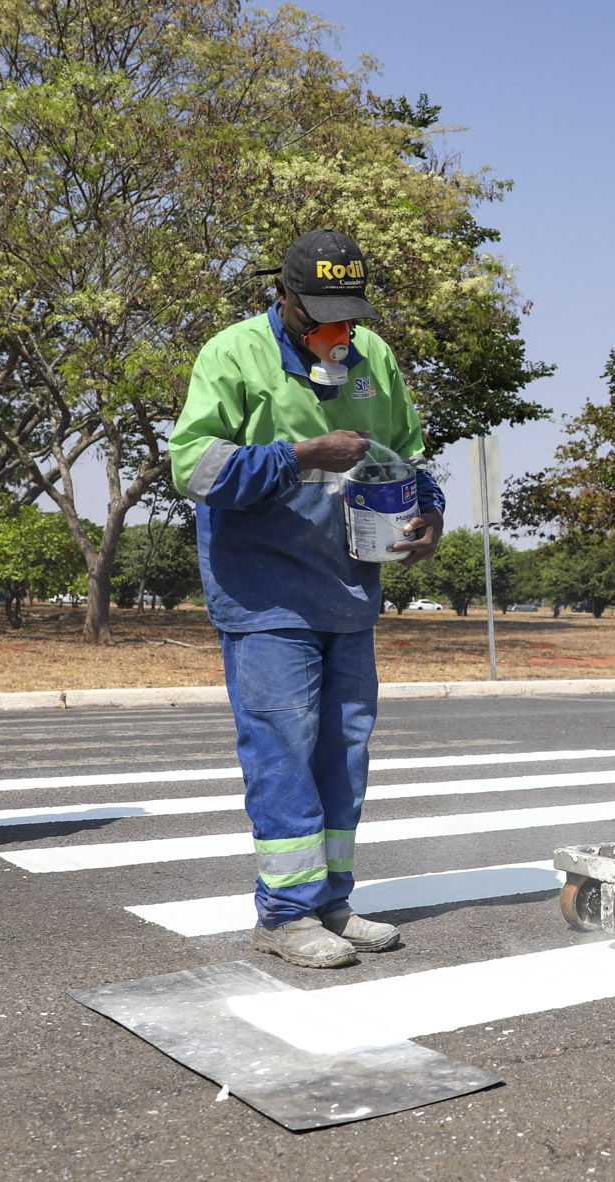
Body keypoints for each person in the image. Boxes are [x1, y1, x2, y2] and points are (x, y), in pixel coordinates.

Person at [168, 229, 444, 969]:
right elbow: (193, 467)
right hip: (264, 598)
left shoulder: (373, 358)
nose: (337, 331)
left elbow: (408, 460)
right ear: (282, 297)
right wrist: (299, 457)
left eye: (348, 315)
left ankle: (330, 900)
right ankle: (284, 915)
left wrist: (431, 514)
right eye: (320, 313)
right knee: (283, 750)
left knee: (342, 754)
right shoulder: (233, 355)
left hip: (349, 592)